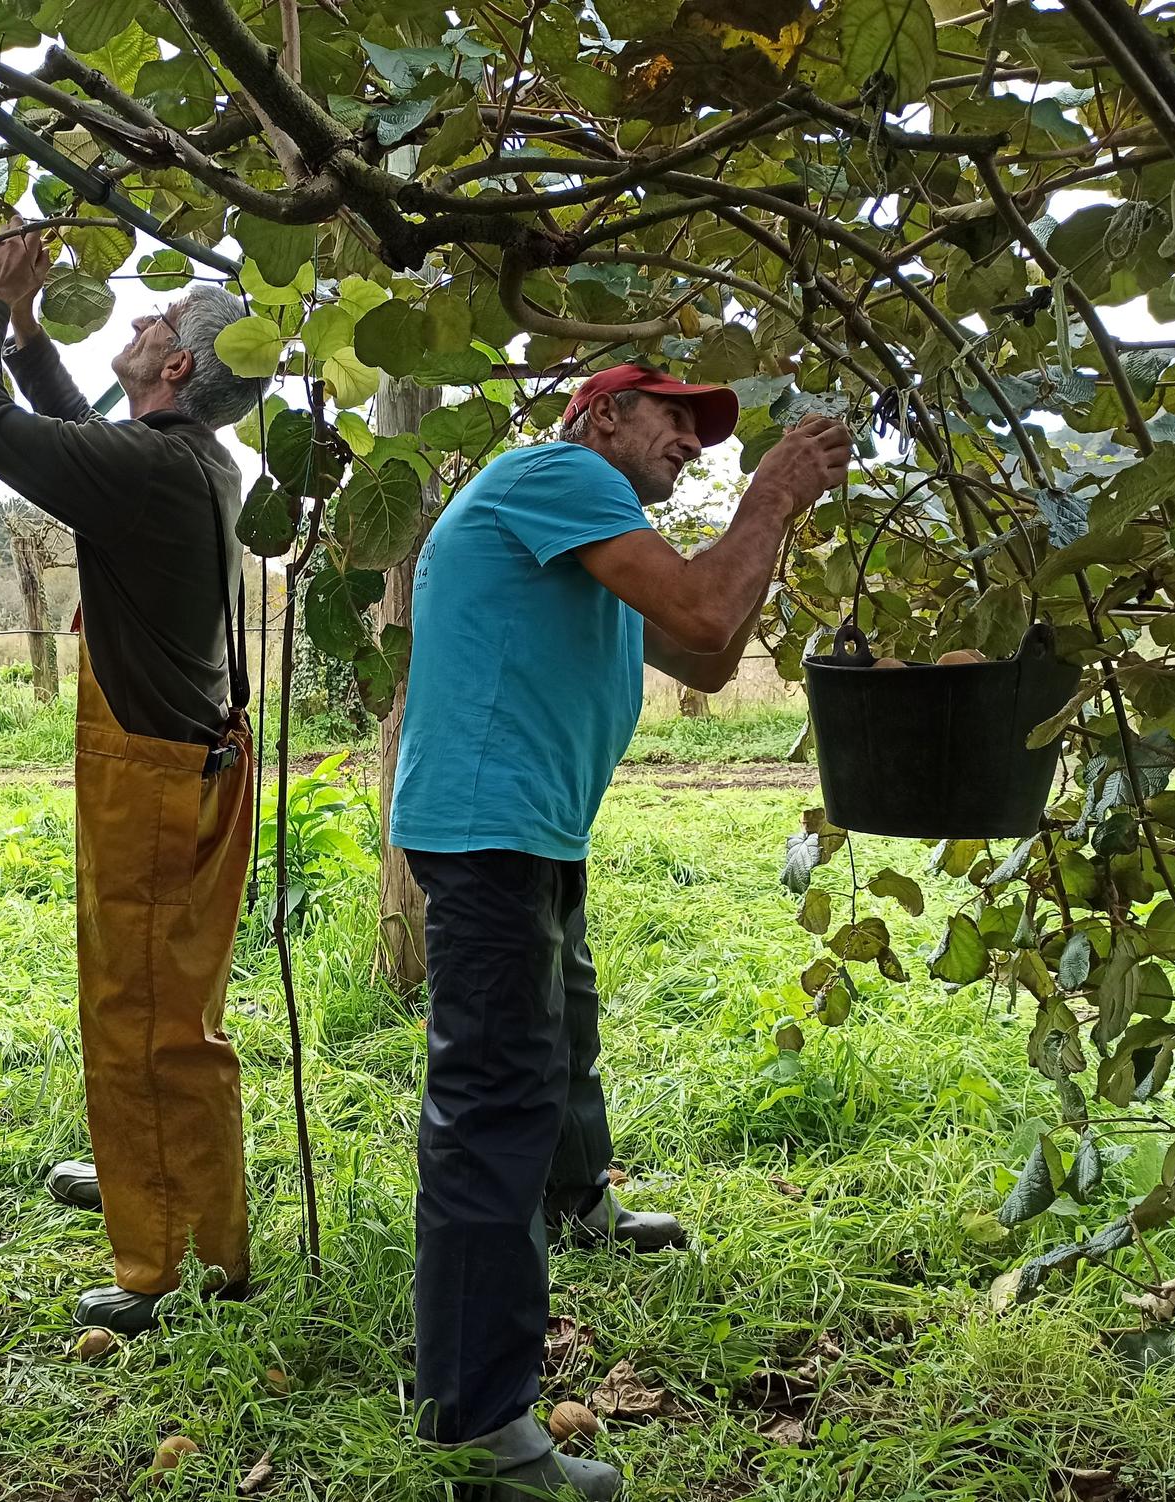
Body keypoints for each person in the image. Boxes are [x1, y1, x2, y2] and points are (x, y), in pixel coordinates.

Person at [389, 364, 852, 1498]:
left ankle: (578, 1200)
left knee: (561, 1026)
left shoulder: (589, 535)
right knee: (492, 1099)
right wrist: (773, 496)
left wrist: (767, 531)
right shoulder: (554, 475)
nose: (691, 441)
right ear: (599, 418)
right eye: (672, 418)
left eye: (704, 431)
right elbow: (701, 608)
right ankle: (475, 1425)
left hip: (527, 826)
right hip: (491, 827)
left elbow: (704, 651)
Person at [0, 225, 267, 1335]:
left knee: (143, 1015)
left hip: (154, 782)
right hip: (182, 766)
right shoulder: (189, 460)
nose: (136, 320)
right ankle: (158, 1182)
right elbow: (81, 435)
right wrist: (31, 336)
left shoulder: (150, 471)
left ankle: (164, 1258)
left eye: (157, 320)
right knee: (161, 1006)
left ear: (176, 367)